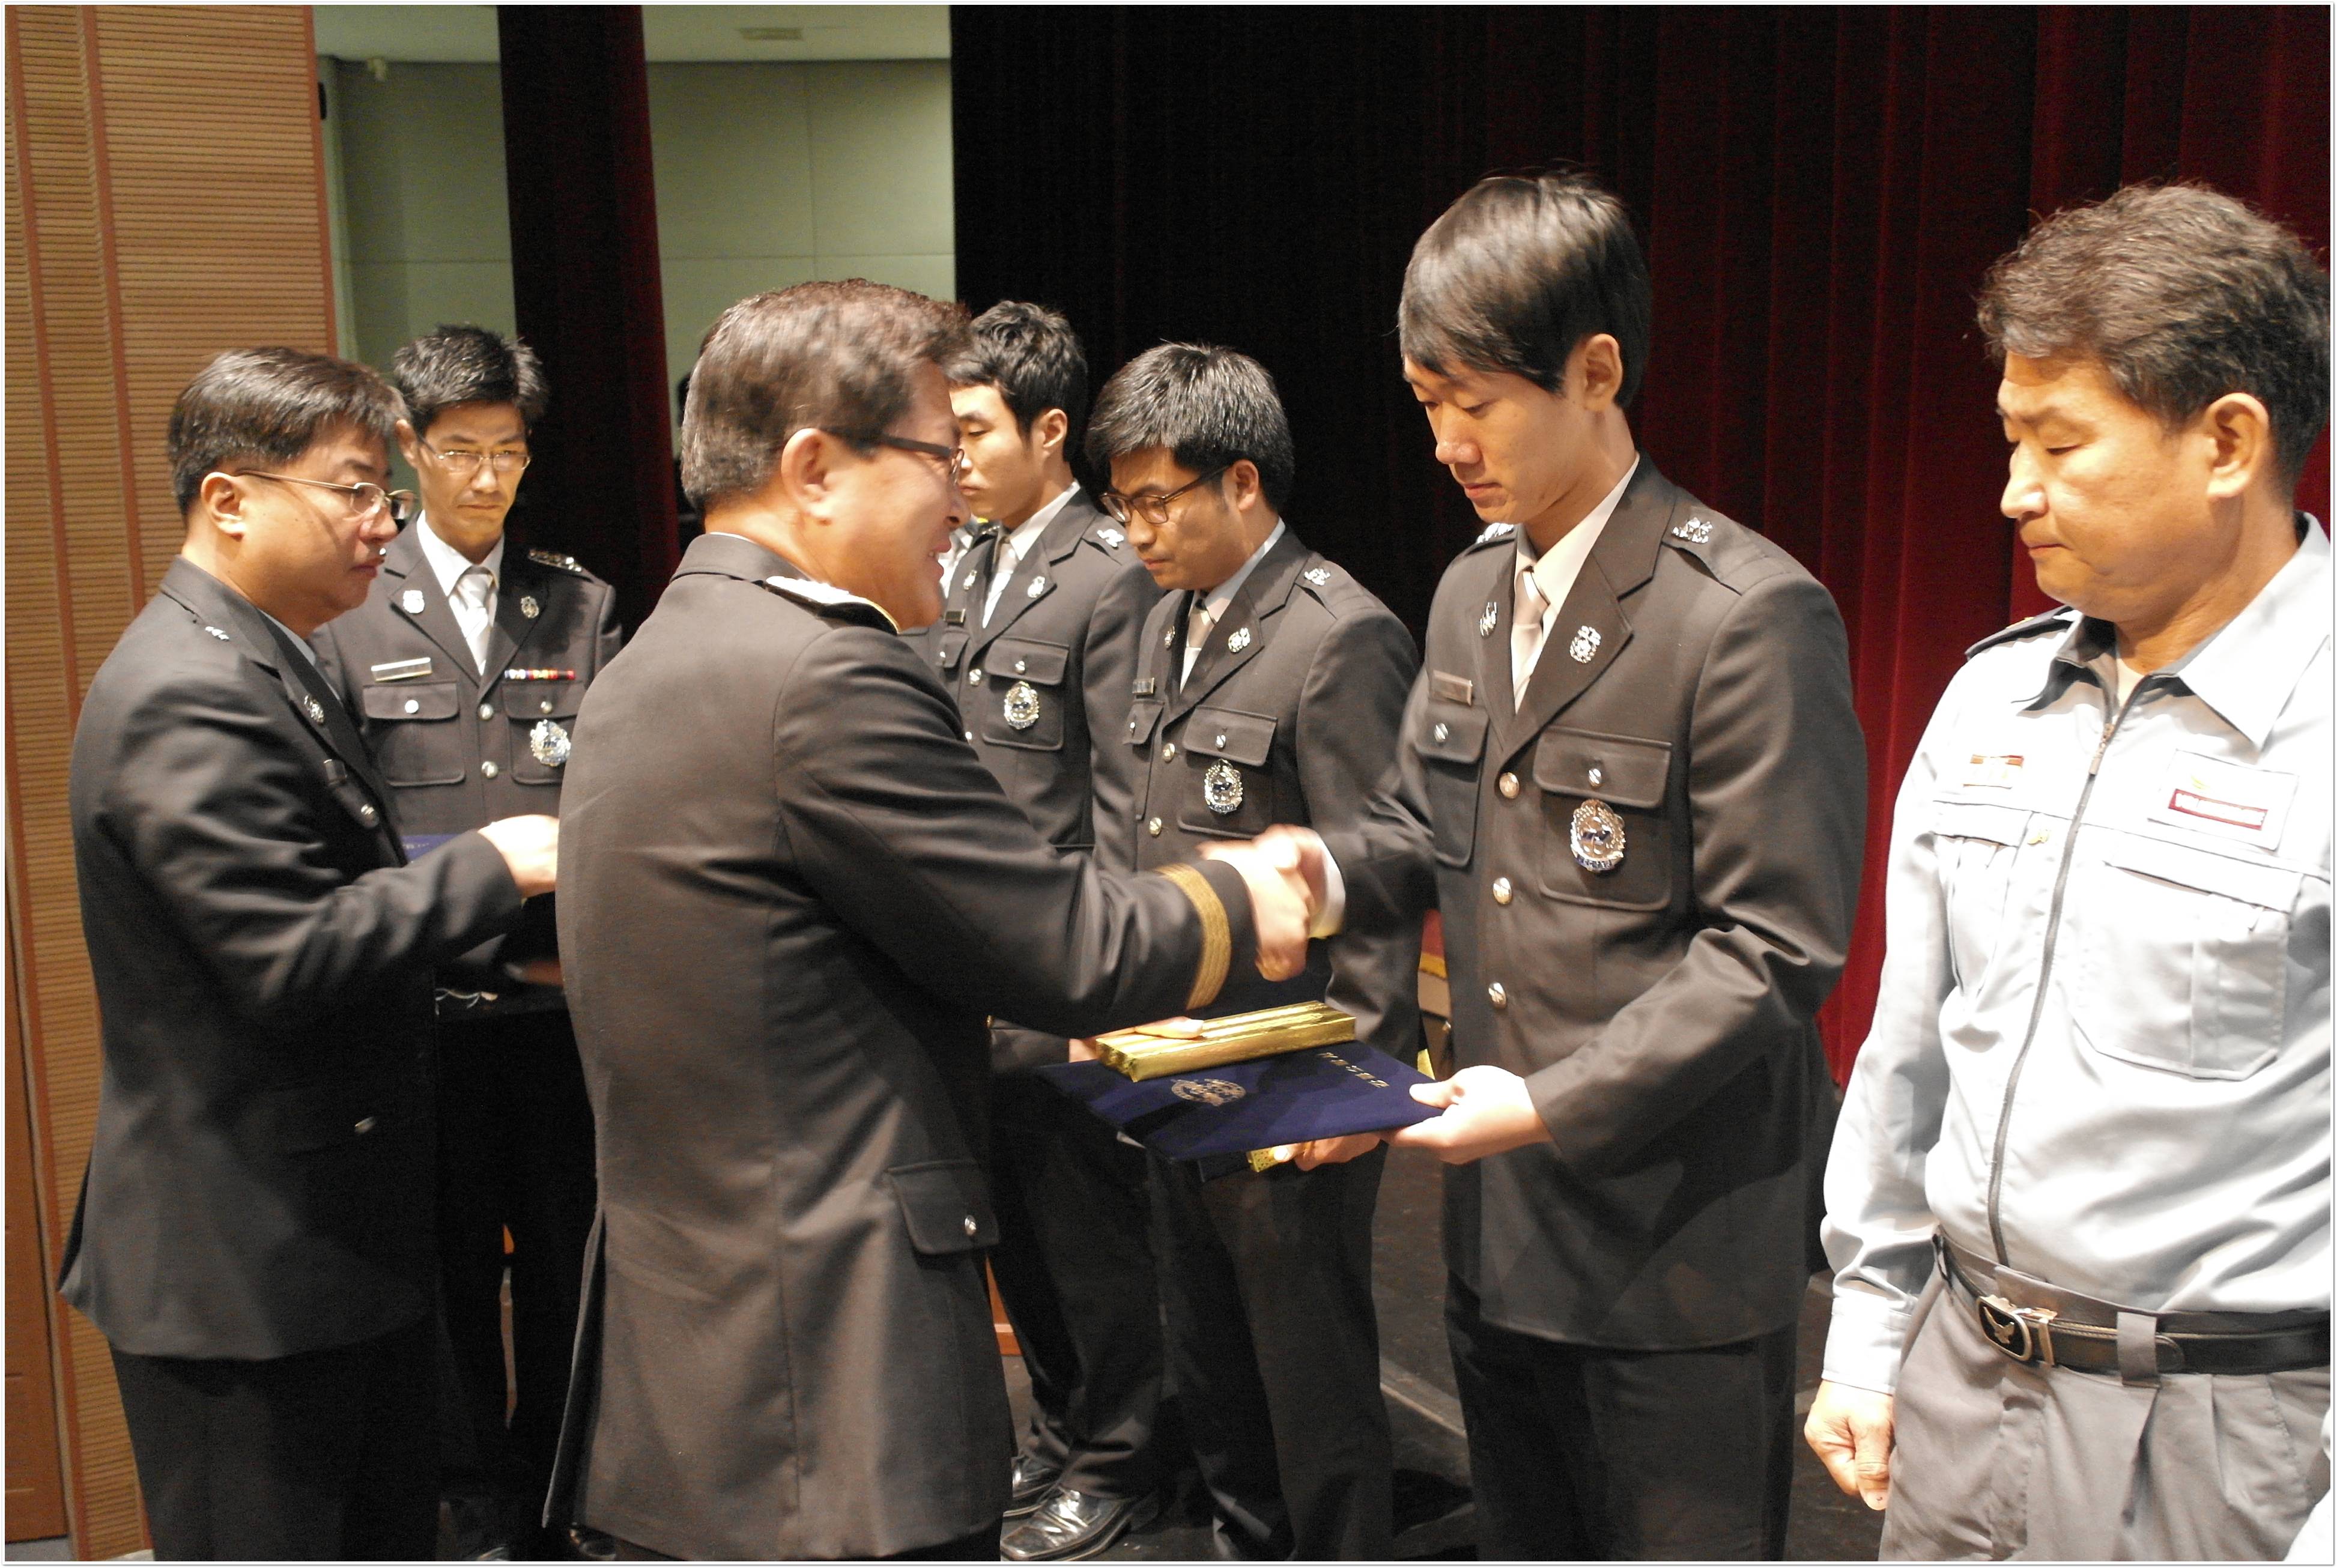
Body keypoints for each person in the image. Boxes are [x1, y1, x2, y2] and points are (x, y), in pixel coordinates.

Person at [545, 280, 1320, 1563]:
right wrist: (1252, 893)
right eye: (932, 455)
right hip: (829, 1398)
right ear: (813, 469)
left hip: (690, 1384)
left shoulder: (653, 655)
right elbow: (1064, 946)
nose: (959, 496)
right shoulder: (821, 671)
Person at [1292, 171, 1867, 1559]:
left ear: (1595, 372)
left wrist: (1548, 1102)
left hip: (1671, 1252)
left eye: (1474, 403)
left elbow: (1773, 949)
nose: (1444, 444)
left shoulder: (1743, 614)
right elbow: (1423, 823)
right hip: (1499, 1234)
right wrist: (1309, 870)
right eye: (1424, 403)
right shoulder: (1468, 590)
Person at [1806, 183, 2331, 1561]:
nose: (2011, 491)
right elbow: (1906, 1056)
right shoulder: (1990, 700)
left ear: (2225, 442)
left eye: (2055, 441)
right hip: (1956, 1388)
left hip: (2224, 1447)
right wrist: (1866, 1329)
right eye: (2008, 440)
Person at [58, 347, 559, 1560]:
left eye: (383, 489)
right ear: (230, 500)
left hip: (325, 1238)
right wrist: (495, 864)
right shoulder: (188, 688)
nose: (383, 519)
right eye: (353, 490)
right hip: (245, 1267)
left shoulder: (265, 650)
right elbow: (284, 956)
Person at [1092, 342, 1422, 1562]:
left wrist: (1360, 1087)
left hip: (1290, 1075)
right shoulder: (1161, 622)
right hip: (1175, 1057)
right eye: (1121, 504)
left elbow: (1382, 871)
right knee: (1211, 1358)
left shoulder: (1338, 634)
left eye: (1156, 500)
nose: (1136, 531)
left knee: (1307, 1374)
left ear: (1241, 482)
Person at [313, 324, 620, 1561]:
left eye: (508, 452)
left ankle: (556, 1500)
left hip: (554, 1011)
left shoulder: (578, 603)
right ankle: (471, 1505)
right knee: (443, 1272)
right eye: (460, 452)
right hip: (424, 1010)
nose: (488, 478)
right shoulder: (350, 605)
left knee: (562, 1263)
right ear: (409, 448)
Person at [921, 303, 1170, 1562]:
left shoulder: (1109, 568)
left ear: (1050, 430)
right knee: (1012, 1226)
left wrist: (1106, 982)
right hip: (973, 962)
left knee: (1088, 1236)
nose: (952, 455)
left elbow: (1125, 797)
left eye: (972, 431)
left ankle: (1125, 1455)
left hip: (1061, 963)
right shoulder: (963, 562)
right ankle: (1065, 1425)